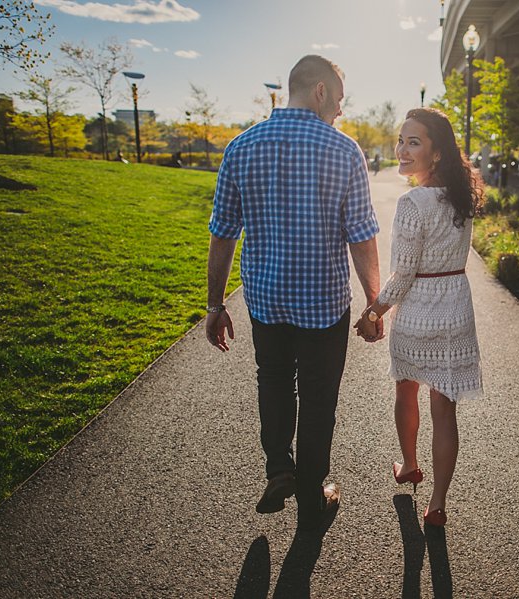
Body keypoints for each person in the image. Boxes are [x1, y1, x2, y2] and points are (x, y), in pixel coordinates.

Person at [206, 55, 382, 532]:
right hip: (322, 305)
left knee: (274, 378)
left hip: (265, 299)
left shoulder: (241, 147)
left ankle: (279, 468)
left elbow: (223, 233)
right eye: (339, 101)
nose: (340, 112)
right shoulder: (344, 151)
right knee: (320, 395)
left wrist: (215, 304)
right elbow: (361, 236)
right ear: (320, 91)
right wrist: (373, 301)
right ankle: (311, 492)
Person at [354, 107, 483, 527]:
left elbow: (404, 273)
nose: (402, 149)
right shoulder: (461, 197)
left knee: (406, 392)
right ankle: (437, 504)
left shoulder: (413, 202)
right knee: (444, 410)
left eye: (414, 141)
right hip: (455, 309)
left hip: (418, 313)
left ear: (437, 152)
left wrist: (373, 310)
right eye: (401, 139)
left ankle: (409, 464)